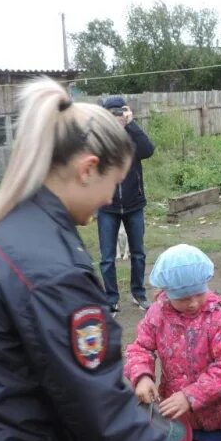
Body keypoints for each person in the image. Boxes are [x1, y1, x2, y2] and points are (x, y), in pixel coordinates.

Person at [0, 78, 221, 441]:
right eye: (113, 183)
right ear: (87, 169)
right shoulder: (52, 270)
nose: (109, 200)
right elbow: (99, 408)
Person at [125, 244, 221, 441]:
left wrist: (190, 396)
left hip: (215, 423)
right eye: (183, 298)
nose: (193, 303)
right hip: (174, 423)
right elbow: (140, 347)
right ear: (165, 292)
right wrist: (142, 376)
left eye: (198, 294)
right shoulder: (158, 313)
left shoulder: (218, 317)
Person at [97, 96, 155, 313]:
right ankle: (111, 299)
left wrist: (131, 124)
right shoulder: (100, 138)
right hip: (107, 206)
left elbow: (148, 150)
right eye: (110, 114)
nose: (116, 118)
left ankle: (138, 294)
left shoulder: (133, 136)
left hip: (134, 204)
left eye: (119, 113)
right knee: (107, 258)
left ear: (125, 113)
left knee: (138, 254)